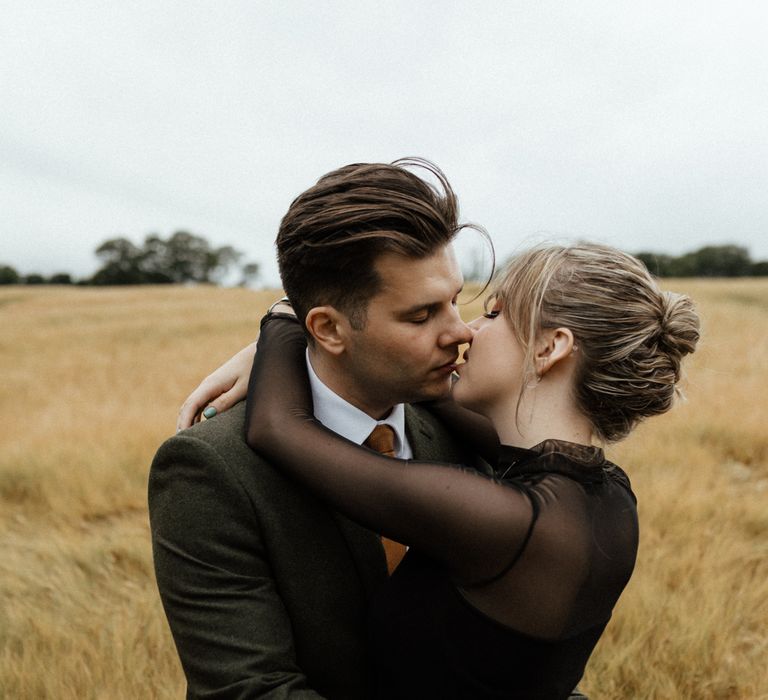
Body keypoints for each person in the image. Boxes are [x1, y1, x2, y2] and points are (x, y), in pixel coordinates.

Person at [187, 243, 699, 698]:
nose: (464, 330)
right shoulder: (605, 492)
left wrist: (286, 317)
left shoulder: (509, 521)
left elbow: (279, 429)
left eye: (494, 314)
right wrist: (330, 339)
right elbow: (427, 395)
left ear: (551, 348)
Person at [150, 158, 499, 699]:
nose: (460, 334)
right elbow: (251, 691)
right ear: (328, 329)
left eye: (455, 301)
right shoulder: (210, 470)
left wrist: (278, 329)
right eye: (421, 315)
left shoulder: (471, 426)